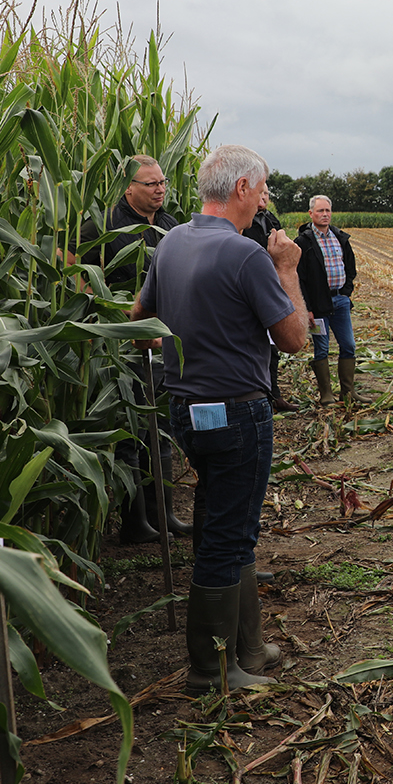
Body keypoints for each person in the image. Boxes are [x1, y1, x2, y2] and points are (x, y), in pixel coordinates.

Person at [131, 144, 310, 692]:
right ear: (240, 190)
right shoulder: (248, 255)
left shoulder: (173, 242)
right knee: (230, 537)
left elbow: (140, 316)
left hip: (187, 409)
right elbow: (296, 338)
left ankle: (249, 647)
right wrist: (286, 268)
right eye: (261, 190)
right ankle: (212, 669)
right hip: (238, 412)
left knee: (218, 521)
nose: (263, 202)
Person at [78, 154, 190, 543]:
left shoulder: (171, 226)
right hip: (121, 349)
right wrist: (99, 307)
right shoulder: (105, 224)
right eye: (151, 184)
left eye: (162, 183)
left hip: (162, 342)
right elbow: (72, 263)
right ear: (128, 187)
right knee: (130, 429)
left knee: (160, 427)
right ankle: (134, 522)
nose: (160, 189)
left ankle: (165, 516)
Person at [295, 196, 365, 406]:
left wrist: (346, 291)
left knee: (348, 345)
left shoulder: (340, 237)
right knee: (322, 348)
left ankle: (348, 392)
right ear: (310, 214)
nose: (325, 214)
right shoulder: (303, 242)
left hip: (340, 301)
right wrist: (307, 308)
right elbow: (300, 279)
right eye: (320, 211)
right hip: (318, 306)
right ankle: (326, 394)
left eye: (327, 210)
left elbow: (350, 268)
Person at [243, 183, 299, 413]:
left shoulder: (270, 220)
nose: (264, 197)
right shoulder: (243, 225)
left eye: (267, 193)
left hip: (270, 284)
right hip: (251, 287)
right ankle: (260, 397)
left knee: (272, 349)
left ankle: (273, 395)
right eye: (261, 192)